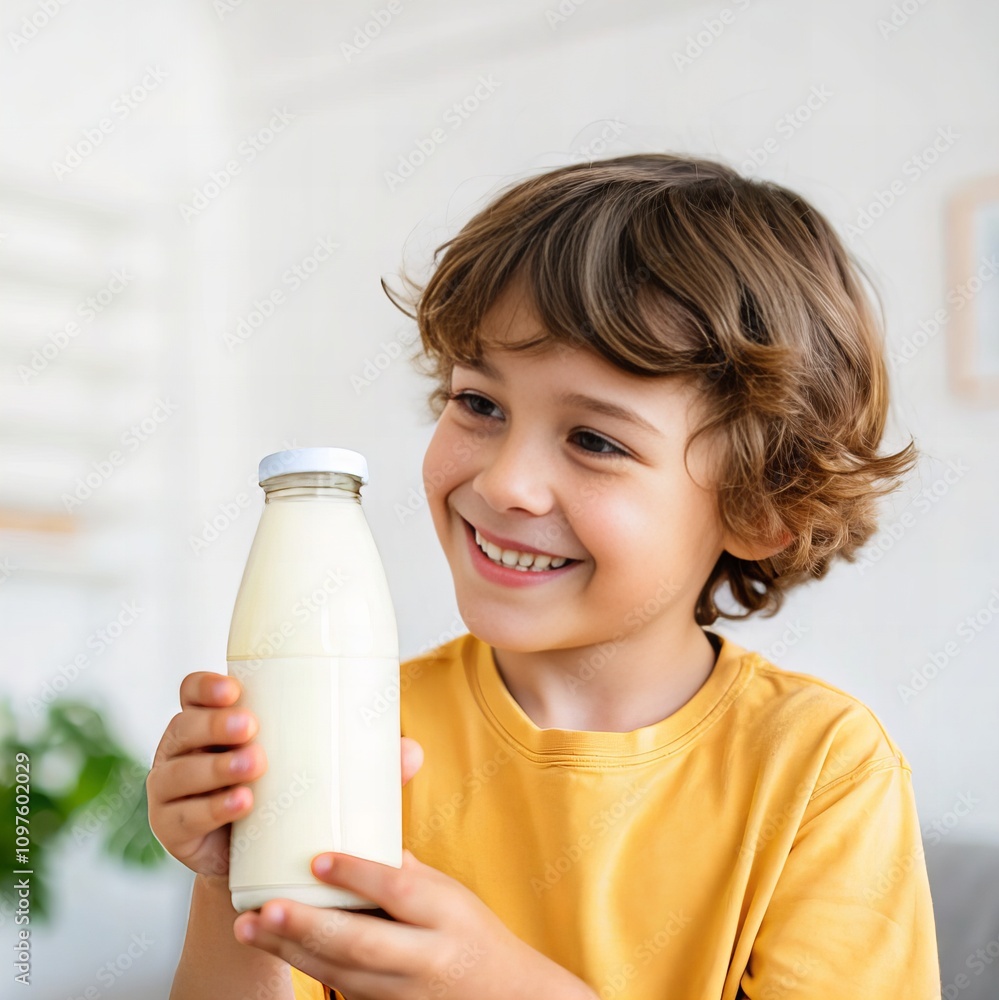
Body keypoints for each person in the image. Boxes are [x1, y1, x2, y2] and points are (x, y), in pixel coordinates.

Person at [148, 153, 941, 1000]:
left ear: (759, 506)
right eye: (480, 405)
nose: (503, 483)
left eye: (595, 441)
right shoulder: (366, 729)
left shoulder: (822, 768)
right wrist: (235, 875)